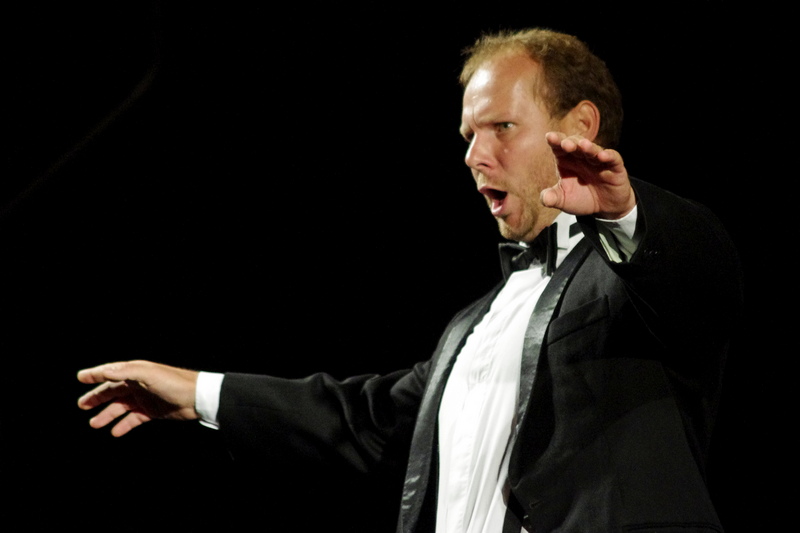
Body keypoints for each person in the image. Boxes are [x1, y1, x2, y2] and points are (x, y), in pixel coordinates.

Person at [77, 28, 743, 532]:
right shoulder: (473, 326)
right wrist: (197, 391)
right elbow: (359, 420)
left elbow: (697, 274)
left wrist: (625, 213)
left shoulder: (642, 273)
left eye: (502, 127)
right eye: (468, 134)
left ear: (580, 125)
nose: (474, 155)